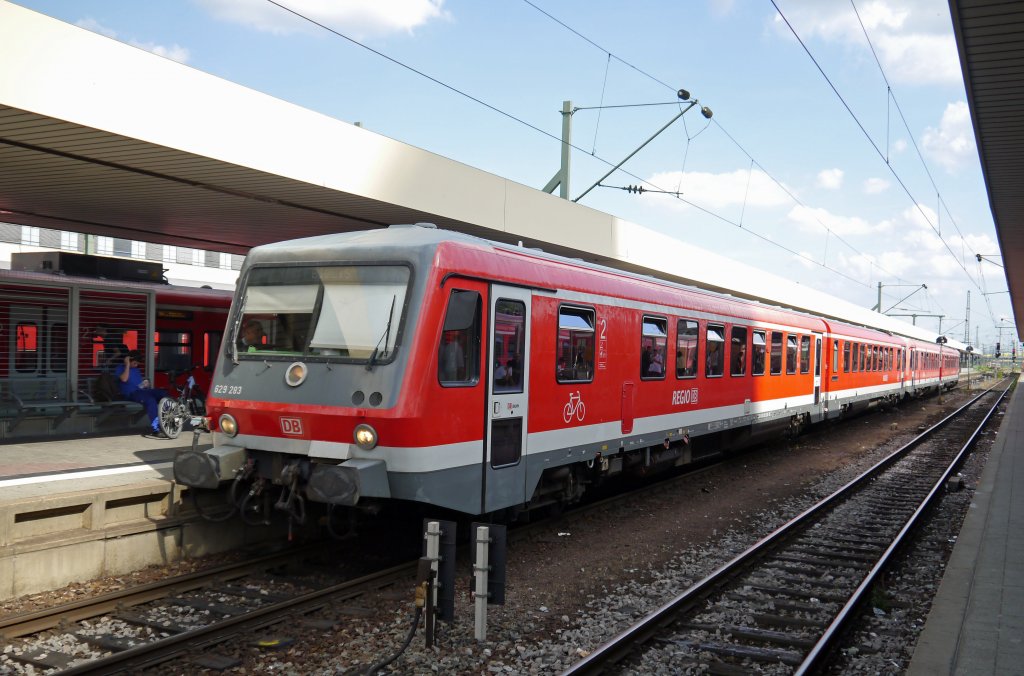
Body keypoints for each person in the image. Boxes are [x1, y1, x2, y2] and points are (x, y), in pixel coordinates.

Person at [116, 350, 169, 438]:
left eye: (138, 364)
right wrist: (127, 365)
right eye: (135, 363)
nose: (137, 365)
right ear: (129, 360)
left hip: (141, 392)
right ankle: (156, 429)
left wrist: (144, 384)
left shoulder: (136, 370)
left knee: (163, 393)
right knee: (150, 400)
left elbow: (139, 386)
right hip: (131, 394)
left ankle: (169, 421)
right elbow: (124, 379)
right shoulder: (120, 368)